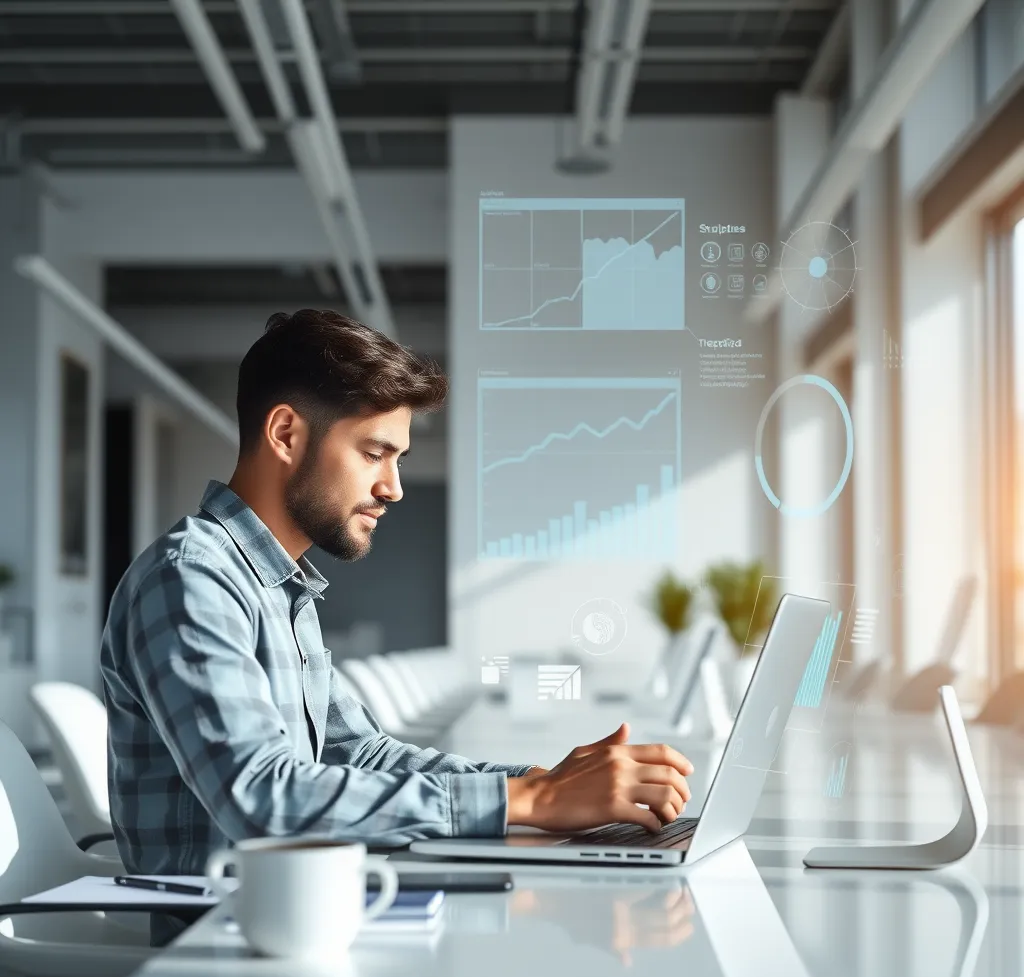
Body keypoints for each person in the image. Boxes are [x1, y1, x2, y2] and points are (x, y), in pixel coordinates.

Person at [100, 310, 694, 875]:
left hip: (307, 908)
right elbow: (261, 798)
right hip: (220, 943)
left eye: (399, 459)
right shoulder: (192, 580)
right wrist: (529, 799)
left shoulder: (279, 586)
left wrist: (543, 781)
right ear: (285, 433)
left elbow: (361, 754)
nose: (394, 488)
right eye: (375, 453)